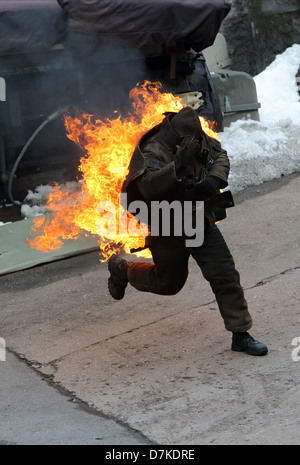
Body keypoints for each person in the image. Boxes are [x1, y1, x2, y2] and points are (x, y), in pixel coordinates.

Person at [107, 106, 268, 356]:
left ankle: (240, 334)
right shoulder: (153, 149)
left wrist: (215, 178)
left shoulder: (197, 136)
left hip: (199, 221)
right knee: (168, 284)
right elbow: (147, 187)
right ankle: (122, 269)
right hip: (168, 227)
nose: (195, 142)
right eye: (188, 140)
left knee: (225, 275)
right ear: (174, 135)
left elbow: (219, 154)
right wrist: (177, 166)